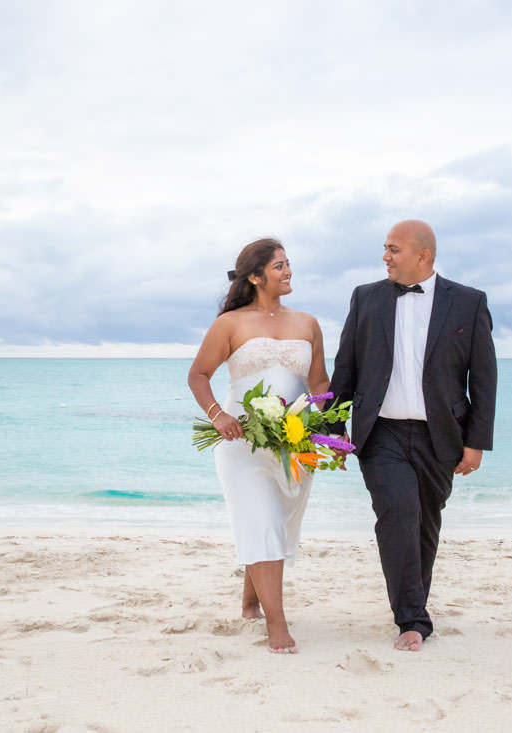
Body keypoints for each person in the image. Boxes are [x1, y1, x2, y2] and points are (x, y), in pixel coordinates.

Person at [328, 220, 497, 651]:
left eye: (393, 249)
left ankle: (412, 605)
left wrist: (475, 442)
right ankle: (412, 619)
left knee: (425, 525)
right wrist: (333, 431)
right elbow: (345, 367)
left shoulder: (469, 302)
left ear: (423, 256)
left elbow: (484, 378)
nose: (385, 256)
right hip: (380, 434)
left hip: (441, 437)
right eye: (385, 248)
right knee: (398, 517)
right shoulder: (365, 299)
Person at [187, 238, 332, 654]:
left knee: (280, 523)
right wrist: (218, 414)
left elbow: (319, 384)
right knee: (261, 521)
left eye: (289, 264)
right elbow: (199, 374)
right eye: (279, 266)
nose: (288, 272)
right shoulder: (230, 324)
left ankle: (251, 598)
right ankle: (277, 624)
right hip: (241, 443)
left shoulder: (307, 323)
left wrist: (330, 430)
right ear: (254, 276)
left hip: (295, 442)